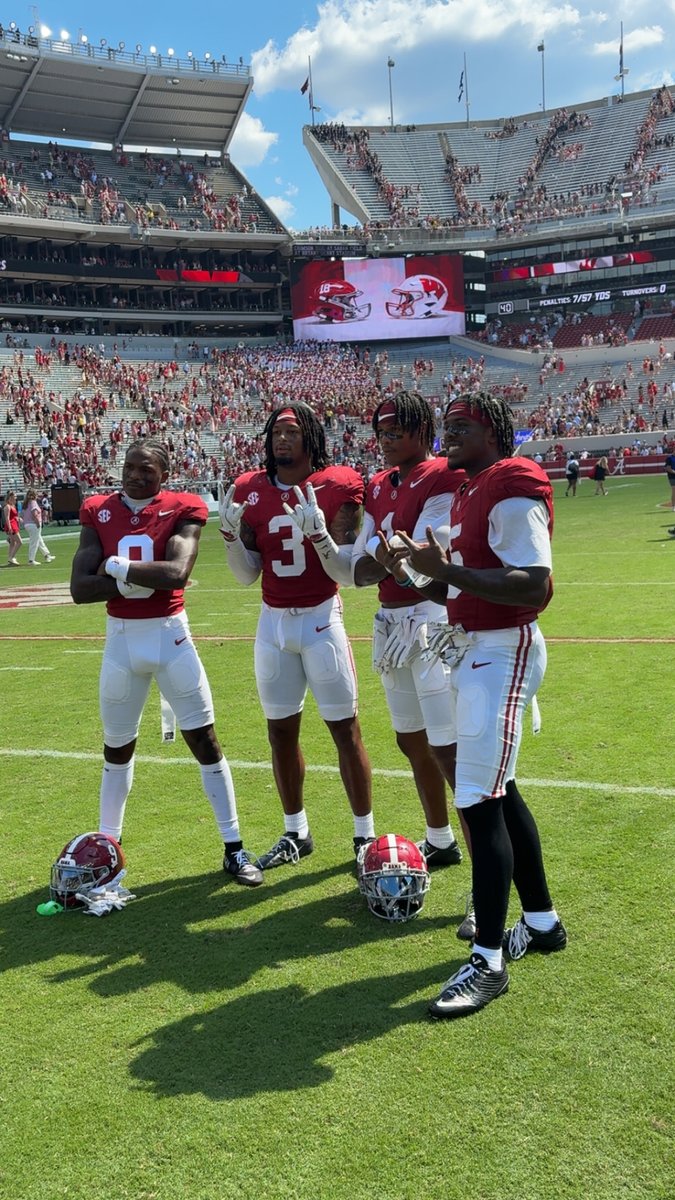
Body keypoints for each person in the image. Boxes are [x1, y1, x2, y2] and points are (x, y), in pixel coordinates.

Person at [394, 391, 566, 1018]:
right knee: (501, 790)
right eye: (447, 425)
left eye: (463, 425)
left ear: (494, 429)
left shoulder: (511, 480)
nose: (450, 434)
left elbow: (533, 584)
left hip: (502, 648)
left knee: (476, 798)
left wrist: (447, 572)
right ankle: (542, 922)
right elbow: (457, 587)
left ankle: (487, 961)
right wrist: (414, 570)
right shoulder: (470, 489)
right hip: (475, 648)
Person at [70, 437, 262, 887]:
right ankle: (107, 854)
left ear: (164, 474)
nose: (136, 475)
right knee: (116, 749)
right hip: (121, 642)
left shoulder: (183, 507)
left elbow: (176, 573)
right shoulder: (97, 509)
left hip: (170, 636)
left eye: (147, 469)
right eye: (130, 466)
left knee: (205, 741)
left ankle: (234, 847)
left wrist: (115, 569)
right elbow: (79, 588)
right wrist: (133, 580)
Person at [220, 402, 375, 870]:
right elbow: (246, 575)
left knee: (345, 730)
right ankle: (296, 832)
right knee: (280, 732)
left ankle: (364, 836)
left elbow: (346, 573)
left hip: (321, 618)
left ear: (312, 436)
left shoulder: (339, 484)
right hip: (272, 622)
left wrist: (321, 537)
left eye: (292, 430)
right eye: (276, 431)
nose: (282, 438)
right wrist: (230, 538)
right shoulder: (249, 489)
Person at [349, 392, 466, 869]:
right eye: (381, 433)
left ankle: (485, 867)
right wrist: (385, 558)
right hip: (391, 621)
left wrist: (387, 557)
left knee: (448, 746)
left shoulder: (443, 473)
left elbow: (421, 551)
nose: (386, 440)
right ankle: (440, 838)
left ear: (421, 430)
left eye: (395, 431)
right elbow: (364, 558)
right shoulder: (379, 483)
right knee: (410, 738)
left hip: (431, 618)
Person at [21, 487, 55, 564]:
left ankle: (47, 555)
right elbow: (34, 514)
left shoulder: (26, 503)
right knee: (34, 542)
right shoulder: (33, 502)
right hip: (33, 524)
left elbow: (22, 514)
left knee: (39, 540)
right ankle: (31, 560)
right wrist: (37, 523)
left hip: (28, 524)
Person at [3, 490, 22, 566]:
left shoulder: (13, 506)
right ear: (11, 497)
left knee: (12, 543)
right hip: (11, 526)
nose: (16, 498)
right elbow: (7, 518)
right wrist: (10, 528)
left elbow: (13, 516)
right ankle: (12, 557)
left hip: (14, 524)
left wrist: (18, 519)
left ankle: (10, 559)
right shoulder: (7, 506)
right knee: (19, 542)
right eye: (15, 496)